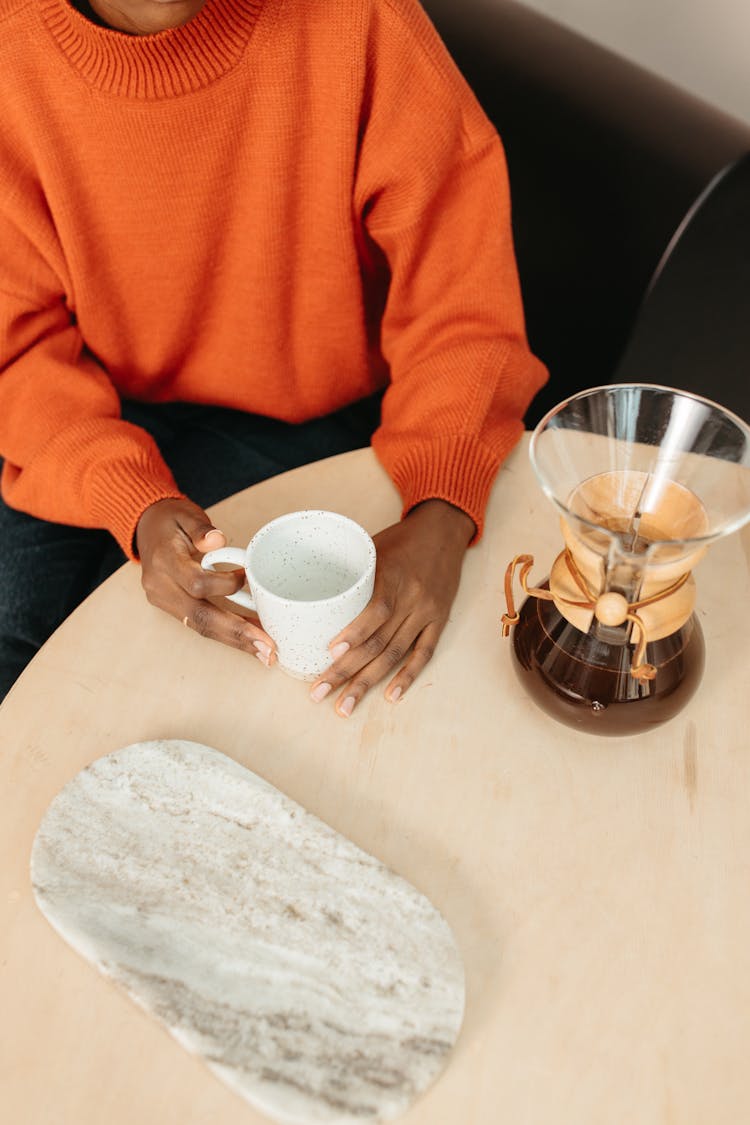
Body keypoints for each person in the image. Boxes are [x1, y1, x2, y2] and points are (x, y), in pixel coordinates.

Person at [0, 0, 547, 713]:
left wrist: (443, 506)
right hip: (81, 407)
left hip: (305, 414)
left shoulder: (360, 22)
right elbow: (17, 345)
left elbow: (462, 301)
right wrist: (130, 501)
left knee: (176, 677)